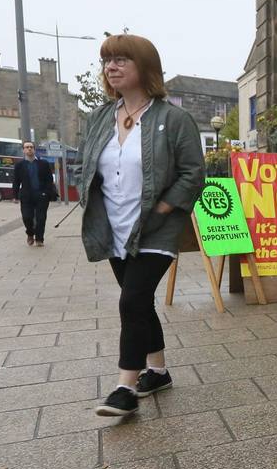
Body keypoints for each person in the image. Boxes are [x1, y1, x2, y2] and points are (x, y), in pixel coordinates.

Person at [78, 35, 204, 417]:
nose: (111, 67)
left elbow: (193, 173)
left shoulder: (173, 119)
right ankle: (158, 371)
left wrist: (165, 207)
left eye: (120, 60)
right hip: (114, 228)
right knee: (140, 303)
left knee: (131, 300)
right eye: (107, 61)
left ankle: (124, 389)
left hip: (156, 228)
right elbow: (90, 169)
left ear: (145, 67)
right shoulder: (101, 117)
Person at [11, 140, 57, 246]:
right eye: (27, 147)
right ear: (23, 150)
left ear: (34, 149)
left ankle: (40, 239)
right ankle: (30, 234)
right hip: (26, 196)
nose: (29, 149)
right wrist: (15, 196)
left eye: (31, 147)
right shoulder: (19, 165)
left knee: (41, 218)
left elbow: (49, 180)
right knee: (27, 217)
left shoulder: (43, 164)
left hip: (41, 195)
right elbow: (16, 181)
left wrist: (46, 193)